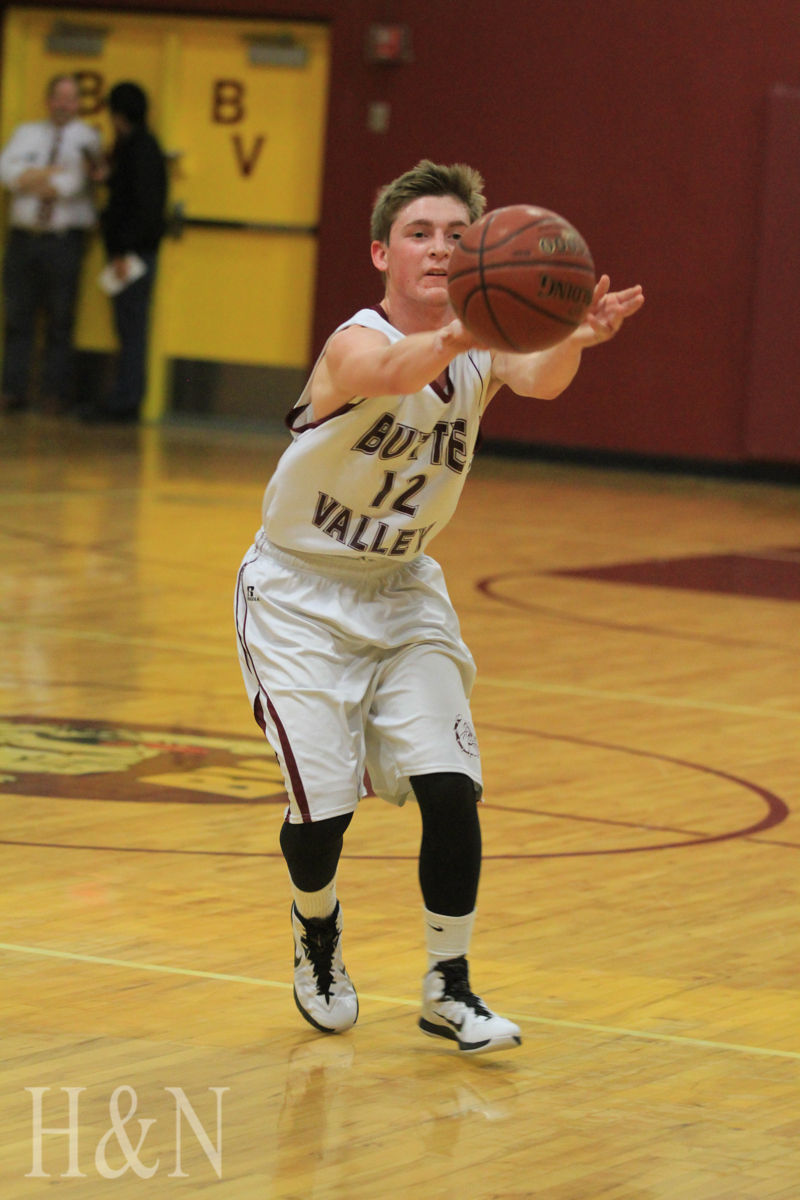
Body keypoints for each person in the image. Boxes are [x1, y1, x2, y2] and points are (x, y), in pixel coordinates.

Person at [234, 161, 644, 1054]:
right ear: (382, 250)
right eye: (420, 233)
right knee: (323, 814)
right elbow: (389, 369)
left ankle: (447, 985)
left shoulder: (479, 345)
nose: (438, 248)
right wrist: (473, 326)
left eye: (458, 236)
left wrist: (573, 331)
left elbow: (540, 379)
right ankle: (317, 929)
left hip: (405, 590)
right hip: (300, 598)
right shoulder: (355, 340)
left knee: (453, 790)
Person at [0, 74, 100, 414]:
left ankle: (53, 395)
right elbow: (7, 175)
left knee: (60, 320)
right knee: (17, 318)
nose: (63, 104)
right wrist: (45, 173)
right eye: (58, 97)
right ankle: (12, 390)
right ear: (48, 100)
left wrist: (32, 175)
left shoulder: (87, 138)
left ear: (78, 104)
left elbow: (69, 185)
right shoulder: (27, 132)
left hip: (63, 241)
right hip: (24, 238)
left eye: (70, 99)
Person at [85, 81, 167, 423]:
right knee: (130, 326)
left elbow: (140, 207)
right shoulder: (141, 147)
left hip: (132, 255)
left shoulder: (138, 149)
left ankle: (126, 400)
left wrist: (122, 251)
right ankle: (125, 396)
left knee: (131, 327)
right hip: (134, 252)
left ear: (118, 115)